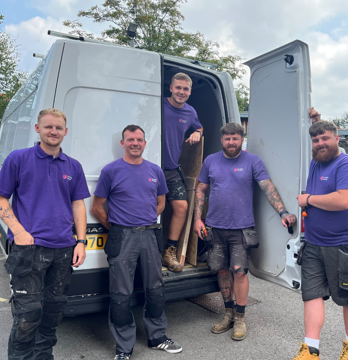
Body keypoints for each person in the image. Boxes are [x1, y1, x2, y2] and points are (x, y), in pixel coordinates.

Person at [0, 108, 90, 360]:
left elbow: (78, 205)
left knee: (53, 313)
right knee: (27, 315)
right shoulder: (18, 159)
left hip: (63, 250)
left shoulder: (73, 166)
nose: (53, 131)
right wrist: (19, 231)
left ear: (65, 132)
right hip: (29, 250)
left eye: (58, 128)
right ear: (38, 129)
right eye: (48, 127)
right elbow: (0, 198)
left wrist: (81, 241)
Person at [193, 122, 297, 341]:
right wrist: (197, 220)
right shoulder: (210, 161)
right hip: (215, 227)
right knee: (221, 271)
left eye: (236, 138)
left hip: (242, 229)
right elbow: (201, 190)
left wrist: (283, 212)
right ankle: (227, 313)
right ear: (222, 140)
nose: (232, 142)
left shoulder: (252, 162)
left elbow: (267, 187)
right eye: (227, 138)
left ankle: (240, 317)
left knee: (239, 272)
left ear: (242, 140)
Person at [91, 125, 182, 360]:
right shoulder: (111, 171)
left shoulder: (155, 171)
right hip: (122, 237)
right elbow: (97, 207)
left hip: (151, 235)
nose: (135, 143)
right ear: (123, 143)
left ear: (144, 143)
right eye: (130, 139)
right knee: (120, 293)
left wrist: (145, 221)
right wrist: (118, 227)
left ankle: (157, 337)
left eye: (139, 139)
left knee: (155, 288)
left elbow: (160, 203)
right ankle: (124, 347)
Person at [293, 120, 348, 360]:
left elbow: (344, 200)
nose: (320, 143)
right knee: (312, 295)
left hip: (345, 245)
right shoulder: (317, 162)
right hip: (314, 243)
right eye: (315, 140)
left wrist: (309, 199)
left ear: (337, 137)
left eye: (325, 138)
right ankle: (310, 349)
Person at [162, 72, 204, 273]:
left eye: (185, 89)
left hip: (170, 168)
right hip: (149, 166)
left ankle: (169, 252)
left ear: (189, 92)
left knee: (181, 207)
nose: (181, 92)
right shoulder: (159, 105)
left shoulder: (190, 112)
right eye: (178, 87)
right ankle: (146, 250)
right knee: (150, 207)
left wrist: (197, 132)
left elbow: (200, 127)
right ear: (171, 88)